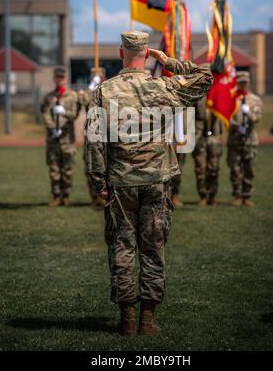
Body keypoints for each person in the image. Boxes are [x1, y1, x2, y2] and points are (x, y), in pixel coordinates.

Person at [85, 30, 213, 335]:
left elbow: (94, 141)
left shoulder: (105, 91)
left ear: (121, 53)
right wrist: (169, 61)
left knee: (122, 245)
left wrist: (98, 182)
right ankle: (147, 319)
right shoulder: (164, 86)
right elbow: (205, 75)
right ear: (146, 54)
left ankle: (127, 318)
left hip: (121, 183)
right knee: (153, 248)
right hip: (157, 181)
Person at [41, 66, 78, 207]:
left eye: (62, 77)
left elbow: (74, 115)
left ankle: (66, 196)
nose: (59, 79)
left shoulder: (72, 96)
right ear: (54, 78)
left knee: (67, 168)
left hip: (67, 138)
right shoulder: (48, 97)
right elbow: (45, 114)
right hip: (53, 139)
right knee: (54, 168)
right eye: (57, 77)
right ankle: (56, 195)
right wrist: (52, 128)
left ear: (66, 78)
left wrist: (64, 112)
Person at [227, 71, 262, 207]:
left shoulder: (255, 100)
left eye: (245, 82)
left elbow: (257, 118)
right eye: (240, 82)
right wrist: (235, 125)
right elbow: (225, 117)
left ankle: (247, 196)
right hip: (234, 138)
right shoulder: (231, 98)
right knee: (235, 168)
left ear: (248, 83)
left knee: (249, 168)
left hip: (250, 140)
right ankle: (237, 195)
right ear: (237, 83)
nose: (243, 84)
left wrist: (249, 114)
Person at [78, 67, 106, 206]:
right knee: (90, 166)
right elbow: (85, 102)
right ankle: (94, 197)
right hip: (90, 134)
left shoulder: (108, 90)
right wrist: (91, 88)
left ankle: (105, 195)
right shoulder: (86, 92)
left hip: (106, 135)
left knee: (106, 166)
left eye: (100, 76)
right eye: (94, 77)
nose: (97, 78)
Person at [192, 95, 223, 206]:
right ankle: (203, 196)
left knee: (214, 167)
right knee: (200, 168)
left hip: (214, 136)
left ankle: (212, 196)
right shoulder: (198, 96)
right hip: (199, 136)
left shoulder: (219, 94)